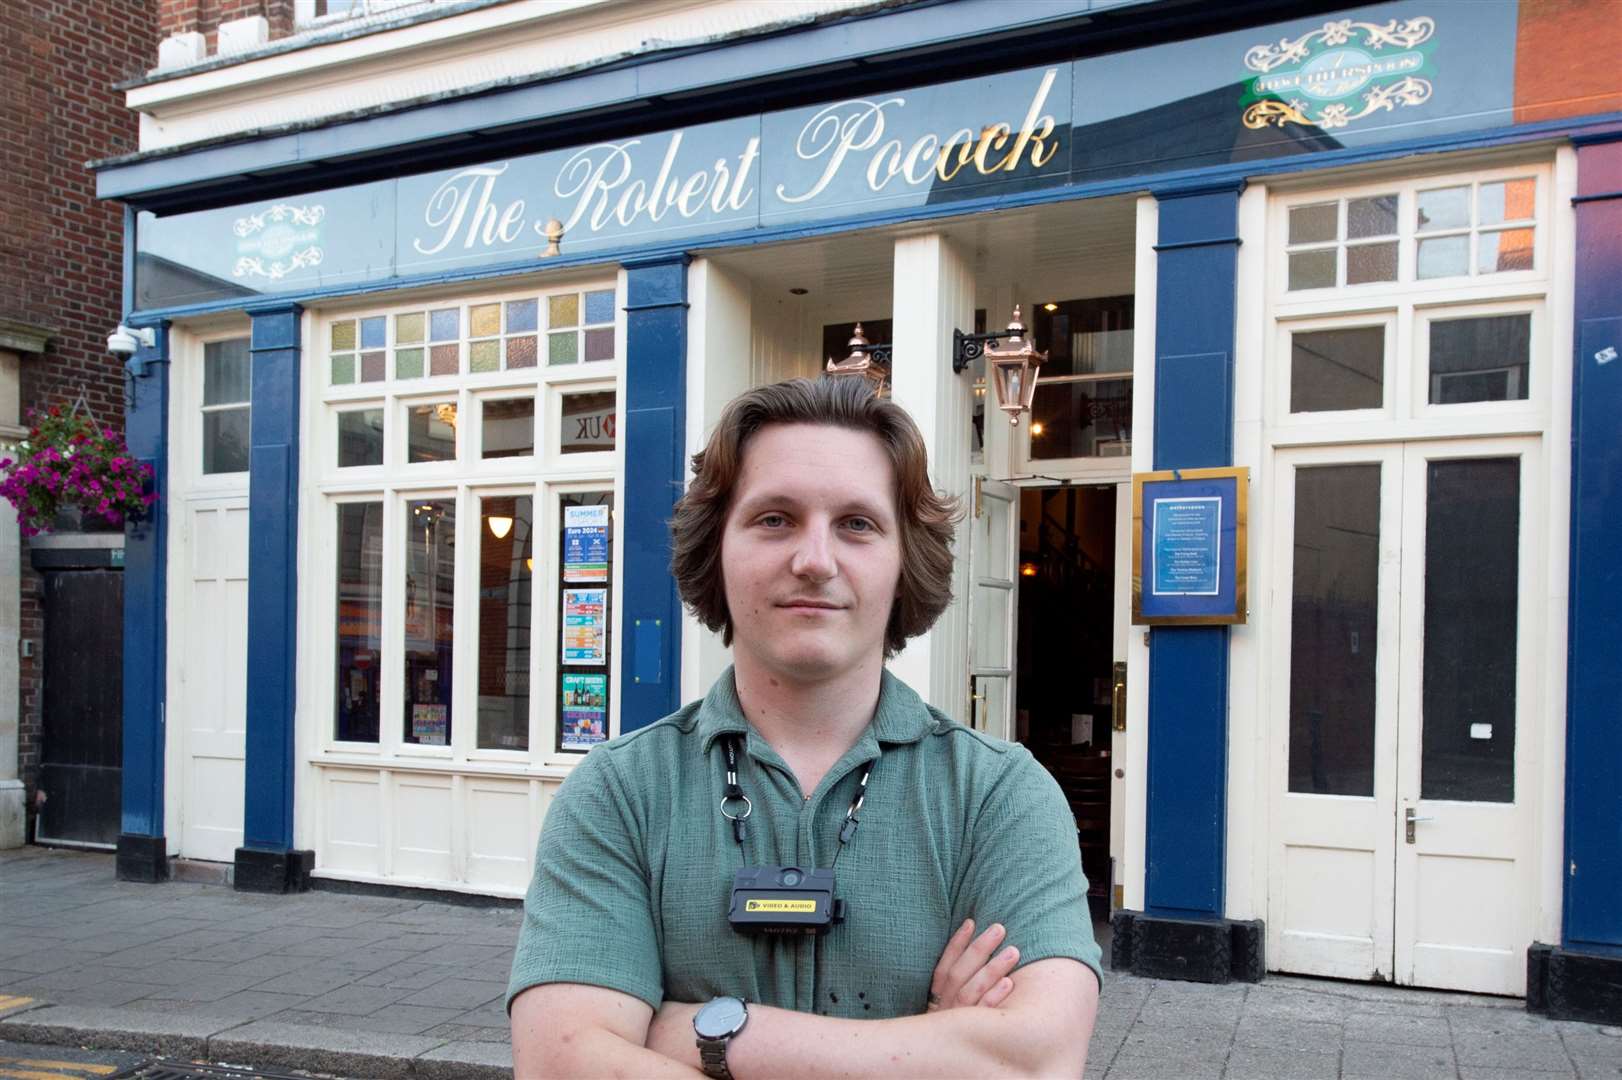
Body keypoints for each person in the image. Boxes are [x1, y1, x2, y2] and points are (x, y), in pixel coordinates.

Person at [508, 377, 1102, 1078]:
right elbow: (561, 1065)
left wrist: (715, 1035)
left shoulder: (1000, 796)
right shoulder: (619, 793)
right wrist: (932, 1049)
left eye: (857, 523)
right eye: (775, 519)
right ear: (716, 549)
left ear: (904, 558)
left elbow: (1033, 1066)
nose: (814, 560)